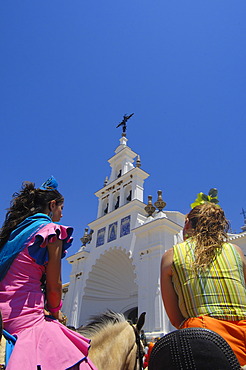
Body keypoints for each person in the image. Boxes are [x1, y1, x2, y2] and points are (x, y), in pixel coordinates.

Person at [0, 177, 97, 369]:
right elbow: (54, 287)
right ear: (52, 205)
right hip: (27, 320)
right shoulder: (51, 232)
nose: (61, 214)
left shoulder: (11, 235)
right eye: (61, 208)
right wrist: (55, 312)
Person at [161, 200, 246, 366]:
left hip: (204, 341)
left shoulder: (171, 256)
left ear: (187, 224)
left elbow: (176, 319)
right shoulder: (236, 251)